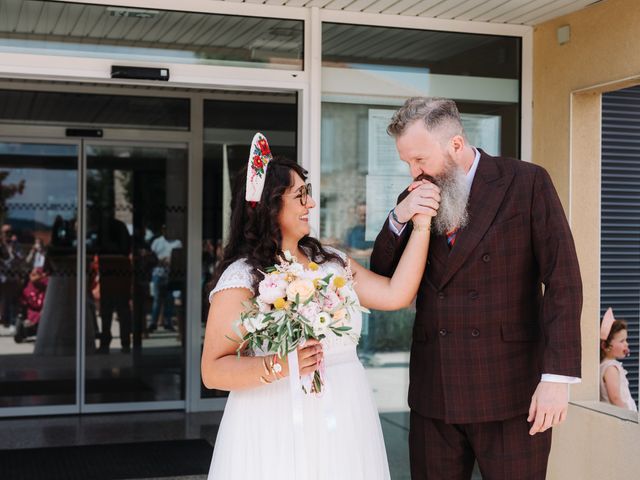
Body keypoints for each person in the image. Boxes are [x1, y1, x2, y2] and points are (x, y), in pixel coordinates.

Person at [201, 133, 440, 480]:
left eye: (308, 194)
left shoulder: (331, 262)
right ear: (271, 204)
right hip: (274, 417)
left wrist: (421, 225)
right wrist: (284, 364)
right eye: (300, 195)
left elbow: (395, 294)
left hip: (344, 411)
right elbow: (213, 371)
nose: (310, 204)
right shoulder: (243, 278)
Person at [370, 97, 583, 480]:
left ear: (455, 145)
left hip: (512, 392)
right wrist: (399, 216)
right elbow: (382, 274)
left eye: (419, 159)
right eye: (407, 162)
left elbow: (563, 280)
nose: (413, 171)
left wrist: (556, 378)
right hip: (435, 390)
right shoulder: (415, 194)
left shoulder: (526, 181)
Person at [599, 307, 637, 411]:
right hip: (622, 418)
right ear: (605, 346)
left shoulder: (607, 365)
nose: (626, 344)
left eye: (626, 340)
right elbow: (615, 398)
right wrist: (629, 417)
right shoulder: (611, 368)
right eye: (622, 341)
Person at [149, 225, 182, 332]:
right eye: (164, 228)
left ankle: (168, 321)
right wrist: (160, 261)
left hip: (171, 274)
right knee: (157, 299)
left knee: (169, 298)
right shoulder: (156, 242)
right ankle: (153, 322)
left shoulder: (177, 243)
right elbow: (151, 258)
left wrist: (171, 261)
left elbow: (179, 258)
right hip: (158, 273)